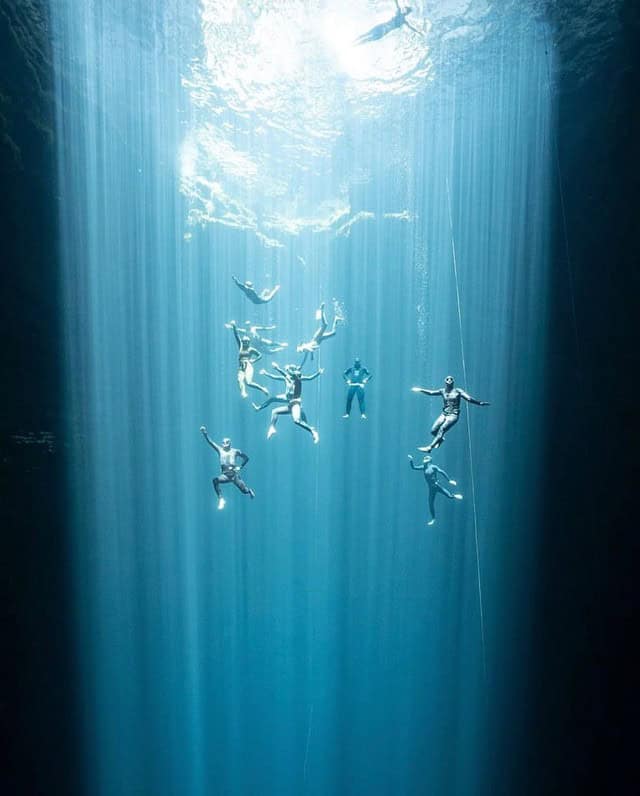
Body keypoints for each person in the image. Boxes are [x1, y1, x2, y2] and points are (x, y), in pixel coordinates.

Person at [411, 375, 489, 452]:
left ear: (453, 382)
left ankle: (429, 448)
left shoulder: (458, 391)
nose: (449, 380)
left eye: (451, 379)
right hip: (444, 413)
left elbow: (468, 398)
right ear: (445, 382)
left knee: (442, 429)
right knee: (433, 431)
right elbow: (431, 393)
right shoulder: (442, 391)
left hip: (453, 415)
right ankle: (440, 440)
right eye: (447, 379)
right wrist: (420, 389)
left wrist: (479, 403)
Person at [200, 426, 255, 510]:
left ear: (230, 443)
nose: (225, 443)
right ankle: (221, 499)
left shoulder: (235, 451)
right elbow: (211, 442)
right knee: (215, 481)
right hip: (225, 475)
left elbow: (246, 458)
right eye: (224, 442)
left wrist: (240, 467)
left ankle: (249, 491)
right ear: (222, 444)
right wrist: (205, 433)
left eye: (227, 442)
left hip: (234, 475)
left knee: (244, 491)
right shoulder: (219, 450)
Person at [266, 362, 322, 444]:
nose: (290, 374)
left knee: (296, 420)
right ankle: (272, 428)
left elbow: (291, 374)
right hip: (291, 405)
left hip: (296, 404)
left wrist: (279, 368)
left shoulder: (298, 379)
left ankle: (313, 431)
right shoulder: (291, 380)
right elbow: (286, 375)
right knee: (274, 411)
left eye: (291, 373)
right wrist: (278, 369)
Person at [408, 454, 462, 526]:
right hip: (431, 489)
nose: (424, 460)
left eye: (426, 458)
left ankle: (454, 496)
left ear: (429, 460)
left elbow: (442, 472)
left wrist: (449, 480)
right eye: (424, 458)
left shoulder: (433, 467)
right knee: (430, 504)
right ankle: (433, 518)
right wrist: (411, 460)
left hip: (437, 486)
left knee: (449, 496)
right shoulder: (423, 467)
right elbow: (413, 467)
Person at [228, 320, 269, 399]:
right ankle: (243, 392)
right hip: (241, 366)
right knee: (239, 380)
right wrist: (234, 326)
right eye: (244, 341)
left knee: (248, 382)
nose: (245, 343)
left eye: (246, 342)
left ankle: (262, 389)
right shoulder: (240, 346)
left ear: (249, 342)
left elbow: (260, 355)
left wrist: (253, 360)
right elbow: (236, 336)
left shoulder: (251, 349)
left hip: (248, 366)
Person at [354, 1, 421, 46]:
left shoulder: (400, 15)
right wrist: (418, 32)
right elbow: (412, 28)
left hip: (382, 28)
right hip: (383, 30)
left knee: (367, 35)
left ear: (406, 12)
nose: (405, 11)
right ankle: (355, 44)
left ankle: (354, 43)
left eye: (406, 10)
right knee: (367, 37)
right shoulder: (403, 20)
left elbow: (396, 3)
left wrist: (418, 32)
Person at [297, 301, 343, 365]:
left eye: (301, 351)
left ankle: (321, 310)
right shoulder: (305, 349)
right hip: (320, 340)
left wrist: (312, 356)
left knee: (325, 325)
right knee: (333, 333)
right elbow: (305, 358)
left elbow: (310, 349)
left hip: (317, 337)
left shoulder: (304, 347)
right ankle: (336, 319)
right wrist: (301, 366)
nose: (302, 352)